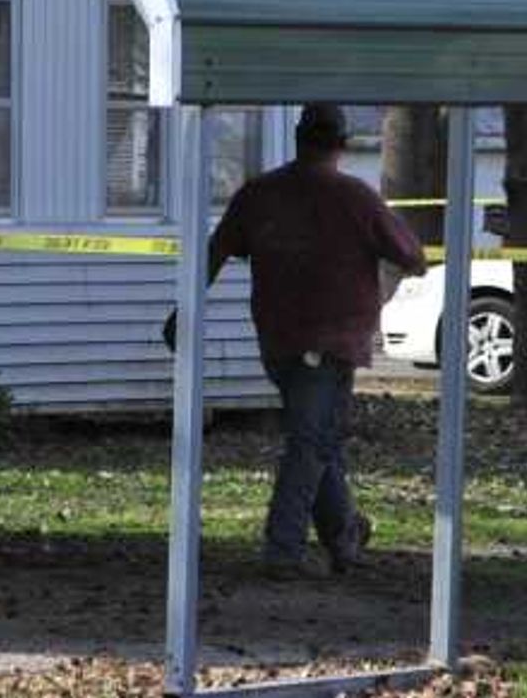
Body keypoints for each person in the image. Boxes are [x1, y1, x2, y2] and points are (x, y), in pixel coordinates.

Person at [167, 101, 428, 579]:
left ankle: (344, 534)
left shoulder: (259, 194)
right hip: (331, 342)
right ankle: (282, 549)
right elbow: (412, 255)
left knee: (319, 438)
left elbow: (216, 251)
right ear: (343, 143)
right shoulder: (356, 197)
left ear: (297, 136)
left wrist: (183, 312)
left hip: (277, 340)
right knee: (310, 444)